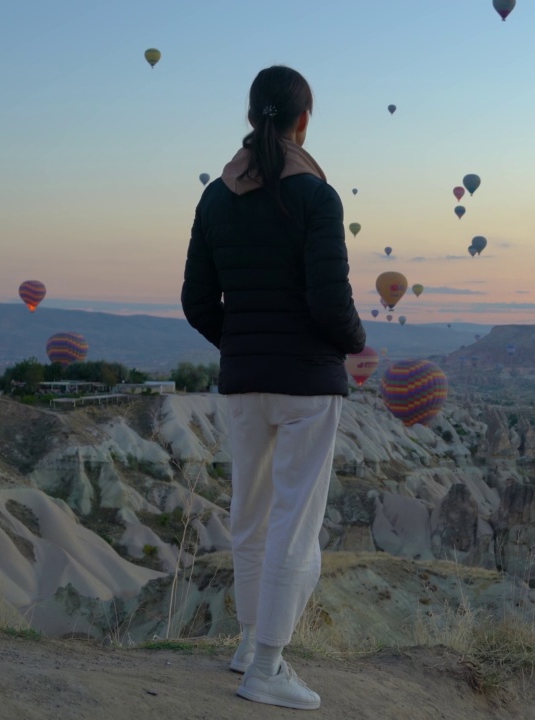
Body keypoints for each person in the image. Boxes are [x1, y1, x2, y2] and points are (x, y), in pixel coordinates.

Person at [181, 65, 366, 711]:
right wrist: (353, 341)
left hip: (244, 383)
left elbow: (197, 300)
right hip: (307, 384)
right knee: (294, 523)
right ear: (303, 121)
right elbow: (329, 299)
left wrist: (240, 344)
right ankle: (267, 665)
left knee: (250, 517)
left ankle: (246, 641)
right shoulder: (317, 196)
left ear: (251, 114)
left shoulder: (214, 198)